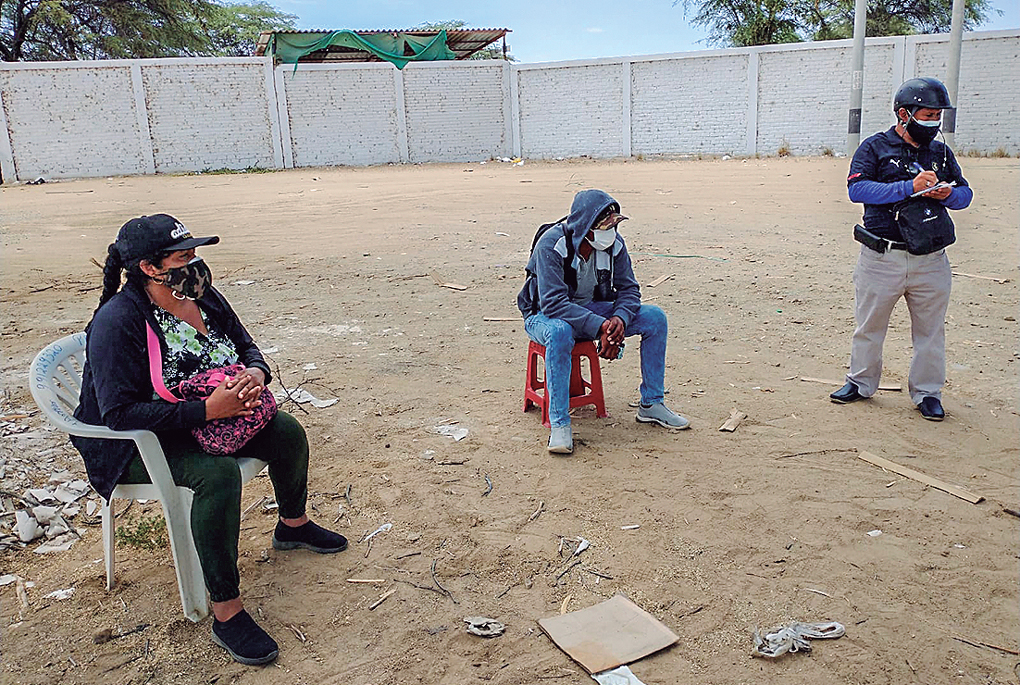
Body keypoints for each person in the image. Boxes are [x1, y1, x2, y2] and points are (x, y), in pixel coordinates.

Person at [71, 214, 347, 666]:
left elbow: (247, 346)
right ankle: (226, 611)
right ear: (148, 267)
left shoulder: (202, 297)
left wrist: (255, 374)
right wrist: (205, 410)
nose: (195, 264)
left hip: (211, 419)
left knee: (287, 432)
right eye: (183, 257)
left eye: (195, 254)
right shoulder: (118, 321)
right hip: (135, 444)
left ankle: (292, 527)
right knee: (216, 475)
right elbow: (118, 413)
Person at [831, 77, 973, 420]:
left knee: (931, 331)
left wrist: (947, 195)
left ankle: (927, 393)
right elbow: (858, 190)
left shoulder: (940, 152)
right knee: (869, 325)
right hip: (881, 257)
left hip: (931, 260)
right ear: (903, 113)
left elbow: (965, 194)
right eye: (927, 114)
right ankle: (860, 383)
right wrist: (909, 187)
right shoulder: (874, 148)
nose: (933, 122)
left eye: (938, 115)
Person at [517, 189, 690, 454]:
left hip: (591, 309)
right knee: (561, 332)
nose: (610, 232)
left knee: (654, 318)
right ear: (585, 226)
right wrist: (601, 326)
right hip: (543, 316)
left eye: (613, 225)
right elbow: (553, 304)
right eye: (604, 227)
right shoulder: (552, 245)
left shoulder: (614, 245)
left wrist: (619, 319)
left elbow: (629, 290)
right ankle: (560, 423)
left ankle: (652, 404)